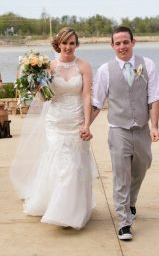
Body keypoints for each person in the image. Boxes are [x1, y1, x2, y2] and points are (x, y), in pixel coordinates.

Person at [10, 27, 96, 229]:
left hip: (76, 120)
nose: (68, 47)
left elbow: (86, 96)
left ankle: (71, 210)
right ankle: (57, 207)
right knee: (60, 163)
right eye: (65, 43)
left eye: (72, 43)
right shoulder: (47, 67)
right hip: (55, 122)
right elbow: (43, 96)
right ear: (58, 44)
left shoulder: (85, 66)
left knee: (75, 164)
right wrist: (33, 85)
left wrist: (86, 123)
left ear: (76, 45)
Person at [90, 26, 159, 240]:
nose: (122, 46)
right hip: (118, 130)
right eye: (117, 43)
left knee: (142, 166)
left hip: (141, 129)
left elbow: (154, 98)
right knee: (122, 176)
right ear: (112, 46)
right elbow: (96, 101)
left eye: (125, 42)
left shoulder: (147, 65)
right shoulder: (105, 70)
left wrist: (155, 126)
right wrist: (86, 126)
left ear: (133, 42)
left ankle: (131, 202)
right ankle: (124, 222)